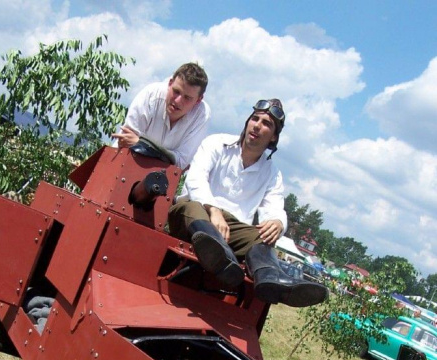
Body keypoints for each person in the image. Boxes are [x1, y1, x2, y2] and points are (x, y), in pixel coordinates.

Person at [167, 99, 328, 307]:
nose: (257, 126)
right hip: (192, 215)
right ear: (247, 122)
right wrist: (213, 211)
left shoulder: (272, 173)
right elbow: (195, 179)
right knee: (193, 207)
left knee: (263, 238)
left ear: (274, 138)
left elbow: (274, 209)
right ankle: (220, 258)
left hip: (230, 232)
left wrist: (278, 223)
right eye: (255, 119)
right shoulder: (217, 143)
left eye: (266, 124)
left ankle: (273, 282)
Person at [112, 63, 210, 170]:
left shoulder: (202, 115)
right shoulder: (151, 94)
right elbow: (126, 141)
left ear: (198, 100)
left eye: (187, 98)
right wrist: (167, 158)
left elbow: (181, 163)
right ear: (170, 83)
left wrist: (140, 144)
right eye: (176, 91)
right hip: (118, 165)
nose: (177, 101)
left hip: (159, 181)